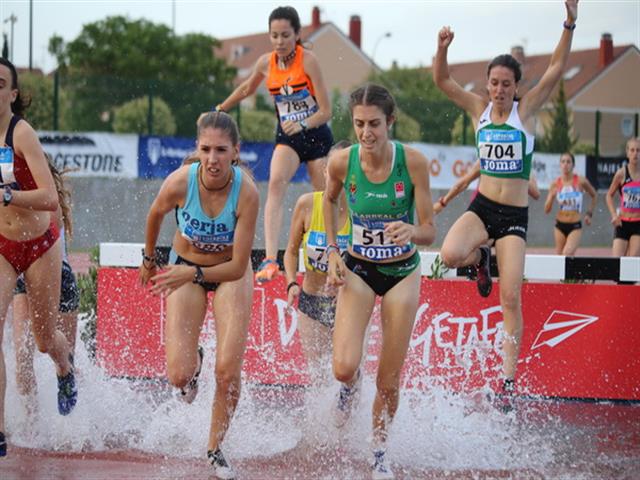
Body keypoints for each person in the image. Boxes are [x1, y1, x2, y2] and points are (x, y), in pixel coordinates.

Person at [432, 0, 579, 411]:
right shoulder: (479, 110)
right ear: (487, 85)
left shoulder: (525, 112)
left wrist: (569, 22)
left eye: (506, 84)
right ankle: (481, 259)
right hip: (482, 209)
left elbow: (553, 69)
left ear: (516, 87)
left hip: (514, 218)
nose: (499, 90)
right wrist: (443, 47)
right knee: (448, 253)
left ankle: (507, 381)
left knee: (510, 298)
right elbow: (442, 81)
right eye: (493, 83)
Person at [324, 84, 436, 480]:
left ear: (390, 122)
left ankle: (379, 452)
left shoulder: (414, 163)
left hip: (402, 273)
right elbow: (329, 199)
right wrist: (335, 251)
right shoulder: (342, 162)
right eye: (358, 124)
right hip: (358, 268)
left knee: (388, 379)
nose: (366, 133)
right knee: (343, 367)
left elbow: (429, 230)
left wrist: (410, 230)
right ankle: (349, 386)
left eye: (374, 124)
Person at [139, 111, 258, 479]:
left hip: (228, 275)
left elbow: (238, 267)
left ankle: (215, 448)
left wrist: (195, 271)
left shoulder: (247, 193)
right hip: (185, 269)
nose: (212, 159)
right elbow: (155, 214)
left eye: (221, 150)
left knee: (228, 370)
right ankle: (194, 366)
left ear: (235, 152)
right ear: (197, 149)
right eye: (205, 149)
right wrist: (148, 259)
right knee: (178, 376)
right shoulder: (180, 182)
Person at [216, 5, 333, 283]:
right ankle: (270, 259)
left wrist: (304, 123)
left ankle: (333, 251)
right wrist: (221, 108)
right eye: (274, 36)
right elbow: (246, 88)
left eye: (285, 35)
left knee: (326, 197)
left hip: (316, 134)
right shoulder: (264, 63)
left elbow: (327, 111)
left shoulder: (309, 61)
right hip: (288, 137)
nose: (279, 42)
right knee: (276, 183)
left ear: (297, 34)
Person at [0, 58, 77, 456]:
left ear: (12, 94)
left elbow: (49, 199)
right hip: (2, 245)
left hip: (40, 244)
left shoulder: (22, 134)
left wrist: (8, 194)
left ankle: (66, 368)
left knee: (46, 340)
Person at [12, 159, 79, 415]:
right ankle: (32, 425)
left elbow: (46, 227)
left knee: (59, 354)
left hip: (58, 281)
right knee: (23, 359)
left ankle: (71, 424)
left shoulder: (50, 205)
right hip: (22, 282)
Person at [283, 140, 351, 387]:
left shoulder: (360, 211)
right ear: (325, 171)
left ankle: (350, 420)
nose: (338, 174)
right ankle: (321, 425)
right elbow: (290, 252)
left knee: (348, 374)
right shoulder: (307, 204)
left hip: (349, 303)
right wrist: (291, 283)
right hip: (312, 301)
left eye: (345, 168)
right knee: (320, 377)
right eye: (333, 168)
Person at [434, 159, 540, 215]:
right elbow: (464, 182)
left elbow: (536, 193)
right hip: (483, 208)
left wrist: (516, 169)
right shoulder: (487, 158)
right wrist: (443, 202)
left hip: (508, 212)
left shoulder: (522, 163)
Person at [544, 152, 597, 255]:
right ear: (560, 164)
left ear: (573, 165)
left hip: (575, 225)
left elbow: (594, 195)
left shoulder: (581, 181)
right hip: (559, 225)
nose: (565, 164)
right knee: (560, 260)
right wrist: (551, 197)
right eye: (563, 162)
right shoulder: (555, 184)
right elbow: (546, 210)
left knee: (567, 253)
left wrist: (589, 213)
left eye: (568, 162)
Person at [605, 137, 640, 257]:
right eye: (632, 150)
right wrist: (614, 215)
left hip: (638, 224)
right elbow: (609, 195)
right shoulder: (621, 174)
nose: (635, 153)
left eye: (638, 150)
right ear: (627, 152)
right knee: (617, 263)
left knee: (633, 260)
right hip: (623, 223)